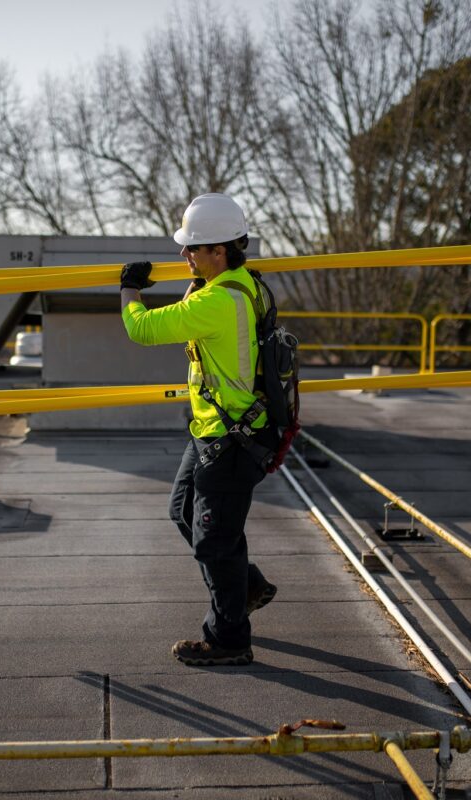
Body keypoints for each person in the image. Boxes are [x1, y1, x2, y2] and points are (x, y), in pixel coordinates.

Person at [119, 193, 278, 667]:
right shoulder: (247, 284)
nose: (183, 256)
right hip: (218, 430)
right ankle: (244, 585)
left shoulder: (217, 301)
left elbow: (142, 330)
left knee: (214, 540)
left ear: (220, 251)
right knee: (184, 511)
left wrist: (129, 290)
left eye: (193, 248)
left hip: (231, 439)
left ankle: (229, 639)